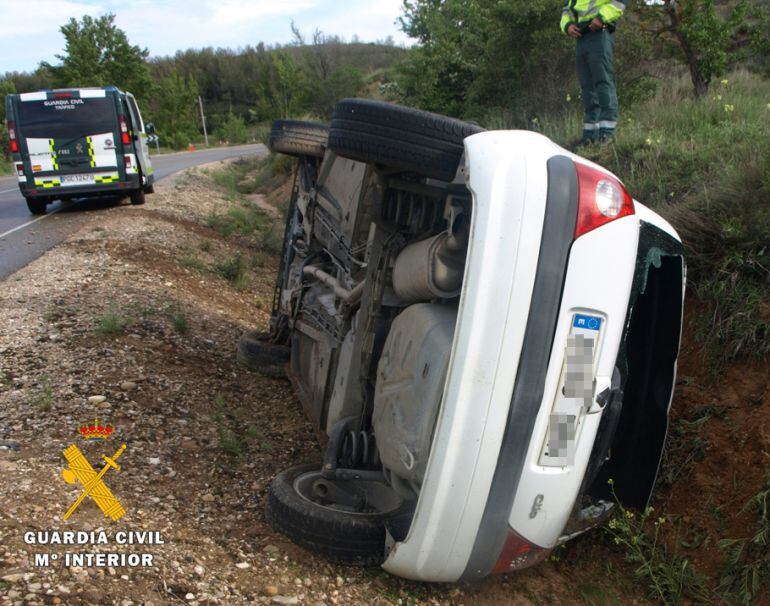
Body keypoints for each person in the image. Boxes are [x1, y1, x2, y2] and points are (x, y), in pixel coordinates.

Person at [560, 0, 626, 145]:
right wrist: (567, 26)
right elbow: (567, 9)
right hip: (581, 37)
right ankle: (589, 137)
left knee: (603, 83)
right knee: (587, 89)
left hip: (599, 33)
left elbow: (619, 3)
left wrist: (601, 18)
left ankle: (607, 135)